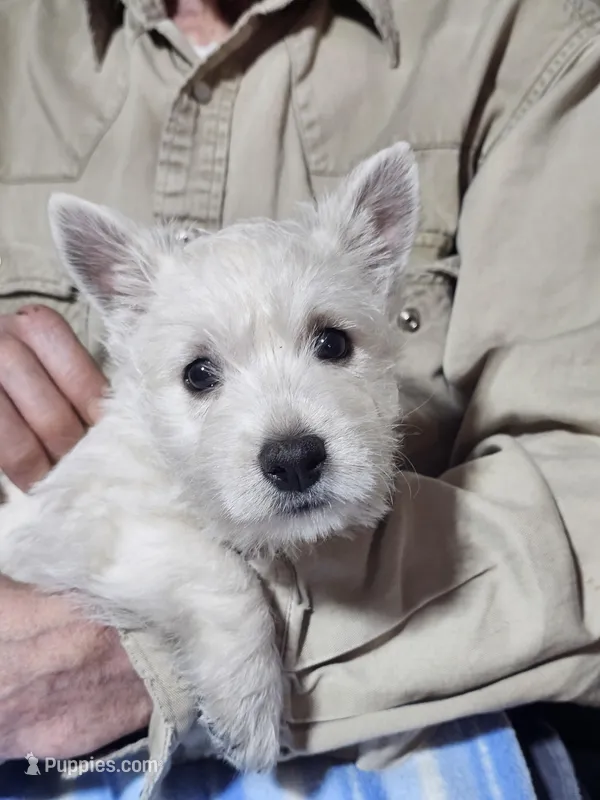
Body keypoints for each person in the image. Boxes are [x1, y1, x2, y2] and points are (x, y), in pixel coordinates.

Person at [1, 0, 600, 798]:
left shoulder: (531, 31)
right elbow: (103, 528)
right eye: (203, 376)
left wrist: (215, 629)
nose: (287, 437)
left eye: (330, 344)